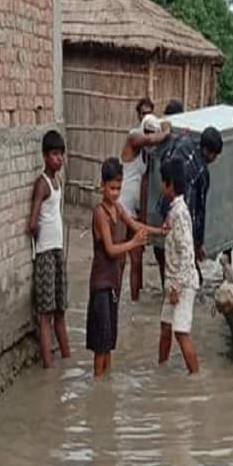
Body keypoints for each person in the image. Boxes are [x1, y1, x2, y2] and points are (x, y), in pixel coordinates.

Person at [87, 158, 164, 377]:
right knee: (101, 346)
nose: (115, 192)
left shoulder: (117, 208)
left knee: (109, 342)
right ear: (102, 186)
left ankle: (104, 389)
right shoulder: (100, 213)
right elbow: (110, 249)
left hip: (113, 284)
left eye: (119, 188)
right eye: (111, 188)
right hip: (101, 285)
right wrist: (134, 243)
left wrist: (159, 231)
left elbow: (135, 225)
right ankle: (98, 384)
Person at [152, 126, 223, 288]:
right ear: (208, 152)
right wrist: (198, 243)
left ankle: (169, 289)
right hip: (183, 217)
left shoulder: (183, 141)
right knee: (184, 259)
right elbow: (199, 210)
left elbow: (164, 157)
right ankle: (178, 289)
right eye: (215, 155)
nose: (215, 158)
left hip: (165, 209)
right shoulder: (202, 172)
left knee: (167, 255)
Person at [25, 130, 71, 367]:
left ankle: (66, 360)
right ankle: (49, 367)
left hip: (57, 251)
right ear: (45, 156)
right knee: (46, 314)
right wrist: (39, 240)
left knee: (60, 310)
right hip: (44, 254)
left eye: (61, 154)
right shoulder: (42, 184)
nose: (59, 159)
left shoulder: (58, 182)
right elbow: (32, 223)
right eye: (54, 154)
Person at [120, 114, 171, 301]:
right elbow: (151, 138)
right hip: (121, 208)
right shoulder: (134, 138)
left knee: (136, 259)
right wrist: (165, 131)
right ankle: (116, 297)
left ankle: (134, 301)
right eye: (147, 132)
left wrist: (142, 216)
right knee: (119, 260)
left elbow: (144, 185)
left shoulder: (147, 155)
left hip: (134, 213)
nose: (150, 138)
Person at [158, 158, 200, 374]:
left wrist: (177, 287)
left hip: (182, 283)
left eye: (162, 182)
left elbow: (186, 253)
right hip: (174, 282)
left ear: (169, 184)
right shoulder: (175, 210)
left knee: (181, 331)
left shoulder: (180, 212)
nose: (160, 186)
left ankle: (195, 375)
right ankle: (161, 369)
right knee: (166, 326)